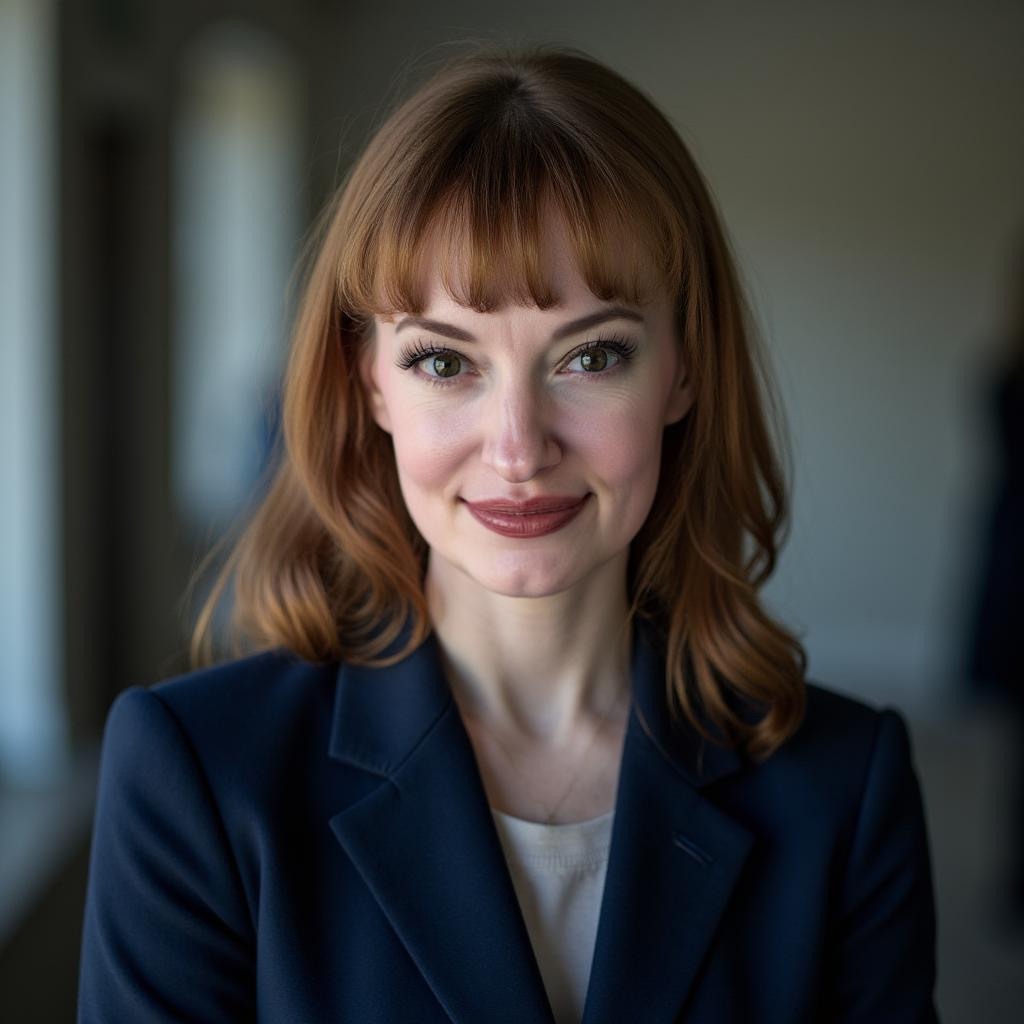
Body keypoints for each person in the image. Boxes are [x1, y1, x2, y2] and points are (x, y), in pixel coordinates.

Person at [77, 43, 939, 1023]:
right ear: (370, 384)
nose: (518, 447)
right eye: (446, 363)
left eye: (591, 356)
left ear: (683, 372)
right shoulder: (197, 774)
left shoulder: (844, 786)